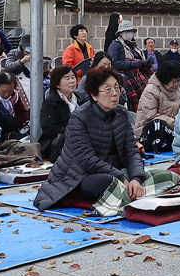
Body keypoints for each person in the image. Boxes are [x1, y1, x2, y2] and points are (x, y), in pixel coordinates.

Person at [37, 65, 146, 210]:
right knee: (108, 182)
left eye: (117, 88)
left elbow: (131, 151)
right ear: (94, 95)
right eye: (108, 89)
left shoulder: (121, 113)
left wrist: (135, 179)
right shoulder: (79, 117)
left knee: (161, 176)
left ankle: (128, 190)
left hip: (115, 169)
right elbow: (86, 159)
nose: (114, 93)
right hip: (80, 175)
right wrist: (121, 177)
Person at [135, 56, 180, 144]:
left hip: (172, 130)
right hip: (150, 133)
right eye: (173, 81)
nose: (176, 84)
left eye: (178, 81)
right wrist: (171, 122)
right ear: (165, 79)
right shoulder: (151, 90)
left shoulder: (177, 89)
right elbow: (150, 116)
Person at [39, 64, 79, 160]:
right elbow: (49, 129)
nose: (72, 81)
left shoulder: (81, 99)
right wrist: (74, 132)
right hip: (59, 144)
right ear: (57, 84)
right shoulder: (50, 102)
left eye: (73, 77)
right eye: (67, 78)